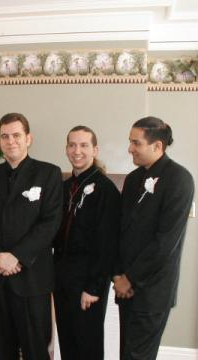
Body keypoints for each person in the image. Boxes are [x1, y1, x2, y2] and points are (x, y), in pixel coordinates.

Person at [0, 113, 63, 360]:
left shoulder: (49, 174)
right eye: (5, 136)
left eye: (16, 135)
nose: (10, 141)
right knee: (1, 350)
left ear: (28, 139)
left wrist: (17, 257)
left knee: (35, 349)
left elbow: (50, 223)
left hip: (32, 279)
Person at [113, 116, 195, 360]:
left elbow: (166, 242)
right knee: (126, 353)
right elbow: (121, 231)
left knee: (138, 356)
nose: (129, 149)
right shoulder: (133, 179)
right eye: (130, 142)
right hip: (125, 287)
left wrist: (131, 278)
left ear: (157, 146)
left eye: (135, 143)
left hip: (153, 290)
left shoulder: (180, 179)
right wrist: (117, 275)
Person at [53, 126, 120, 360]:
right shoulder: (62, 188)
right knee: (68, 343)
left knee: (87, 346)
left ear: (95, 149)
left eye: (83, 145)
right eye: (72, 145)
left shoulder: (106, 190)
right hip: (61, 281)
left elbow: (108, 244)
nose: (77, 151)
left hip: (88, 284)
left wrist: (93, 287)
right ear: (66, 149)